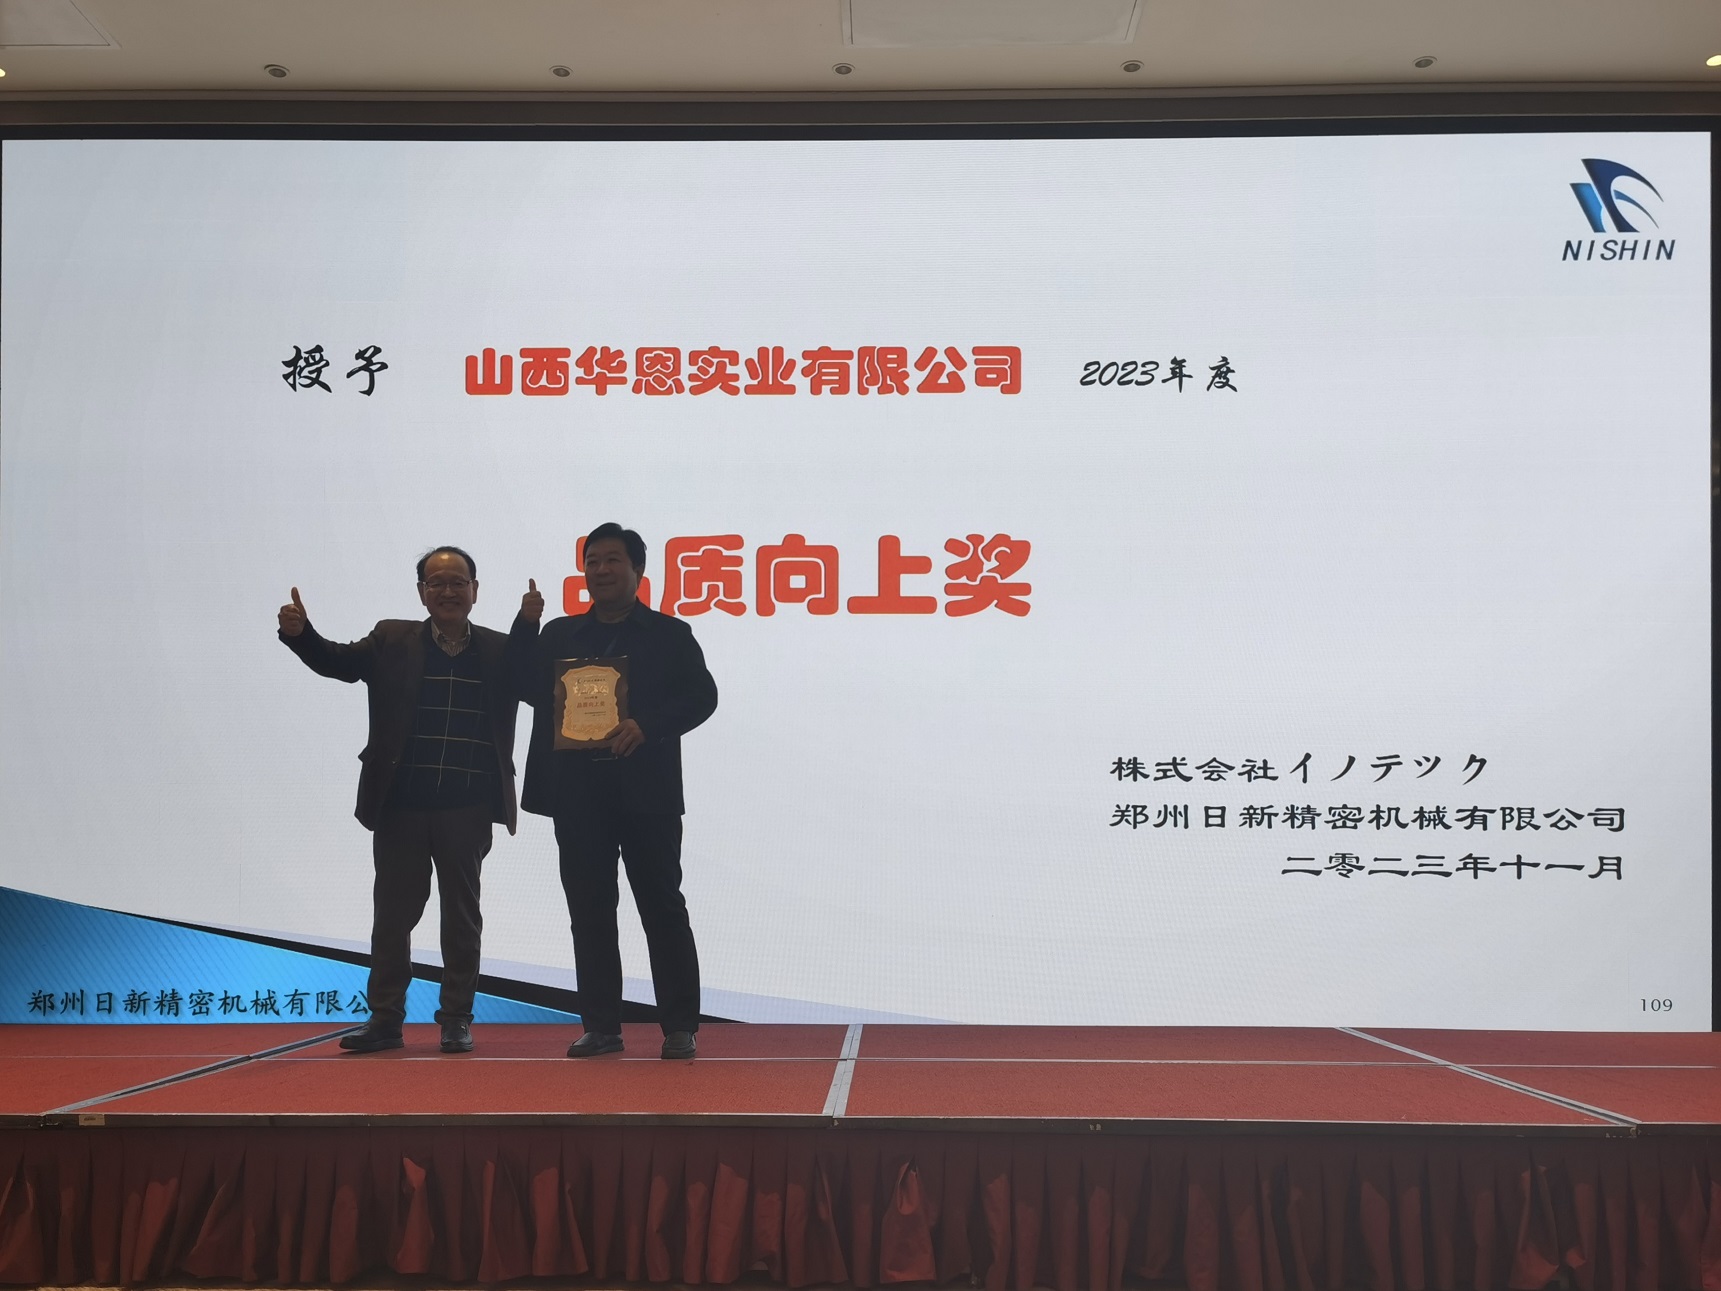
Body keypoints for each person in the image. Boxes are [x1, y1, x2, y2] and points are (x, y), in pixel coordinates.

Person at [277, 546, 520, 1055]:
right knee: (392, 917)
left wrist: (531, 627)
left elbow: (547, 686)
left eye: (458, 582)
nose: (448, 591)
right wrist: (302, 635)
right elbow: (339, 662)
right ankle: (385, 1019)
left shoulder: (500, 650)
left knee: (461, 918)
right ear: (421, 593)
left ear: (475, 590)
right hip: (401, 805)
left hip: (467, 808)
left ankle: (456, 1019)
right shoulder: (391, 638)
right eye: (437, 583)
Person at [512, 523, 718, 1060]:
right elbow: (525, 686)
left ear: (638, 570)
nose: (601, 571)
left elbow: (702, 696)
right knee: (590, 910)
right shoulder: (559, 634)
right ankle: (601, 1026)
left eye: (612, 560)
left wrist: (648, 725)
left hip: (647, 793)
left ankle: (680, 1026)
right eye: (592, 562)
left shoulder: (670, 634)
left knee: (662, 906)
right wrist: (526, 627)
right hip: (578, 794)